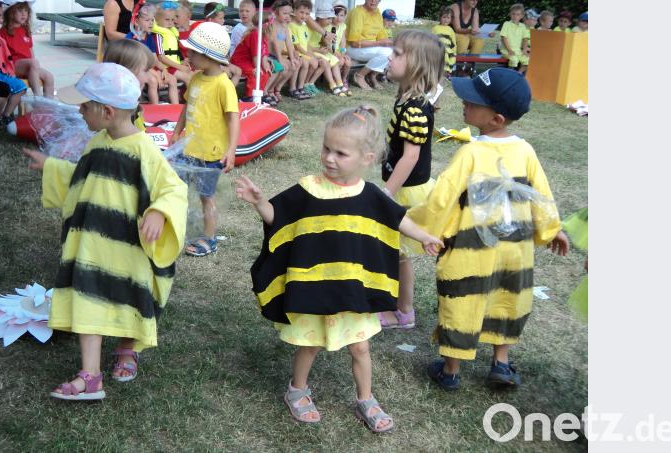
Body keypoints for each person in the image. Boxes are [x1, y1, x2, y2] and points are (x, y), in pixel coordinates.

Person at [236, 105, 443, 433]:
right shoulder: (308, 189)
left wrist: (426, 236)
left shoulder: (371, 195)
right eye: (327, 149)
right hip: (317, 287)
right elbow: (278, 217)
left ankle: (366, 399)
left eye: (341, 153)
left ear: (367, 157)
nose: (330, 158)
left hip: (353, 290)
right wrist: (260, 202)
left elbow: (399, 218)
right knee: (311, 343)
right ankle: (297, 390)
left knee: (360, 347)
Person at [21, 62, 188, 400]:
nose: (79, 111)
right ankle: (90, 376)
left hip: (126, 250)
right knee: (88, 303)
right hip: (90, 248)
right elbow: (87, 180)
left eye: (85, 105)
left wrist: (158, 211)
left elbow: (173, 189)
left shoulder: (144, 151)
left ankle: (127, 347)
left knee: (127, 299)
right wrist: (52, 167)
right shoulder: (97, 141)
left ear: (107, 111)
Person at [406, 68, 570, 390]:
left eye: (473, 100)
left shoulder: (470, 152)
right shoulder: (525, 151)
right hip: (515, 249)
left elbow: (443, 197)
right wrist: (551, 229)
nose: (465, 102)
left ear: (495, 119)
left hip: (471, 250)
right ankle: (501, 363)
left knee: (464, 299)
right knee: (507, 297)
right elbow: (543, 194)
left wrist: (415, 225)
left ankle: (451, 369)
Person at [376, 30, 446, 330]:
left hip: (406, 191)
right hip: (401, 186)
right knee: (393, 252)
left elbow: (410, 157)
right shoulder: (406, 98)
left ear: (417, 64)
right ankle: (396, 304)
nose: (390, 57)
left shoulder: (416, 108)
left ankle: (403, 312)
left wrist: (386, 193)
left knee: (398, 254)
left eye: (398, 53)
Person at [173, 22, 240, 257]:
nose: (187, 54)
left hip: (210, 153)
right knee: (177, 190)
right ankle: (177, 229)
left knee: (205, 197)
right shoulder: (196, 78)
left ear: (209, 56)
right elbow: (186, 107)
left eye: (192, 52)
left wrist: (231, 151)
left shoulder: (224, 86)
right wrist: (176, 131)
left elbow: (233, 119)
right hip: (188, 147)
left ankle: (209, 238)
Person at [0, 0, 27, 130]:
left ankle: (1, 116)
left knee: (20, 86)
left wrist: (9, 69)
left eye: (0, 15)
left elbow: (5, 55)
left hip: (0, 71)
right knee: (5, 89)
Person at [126, 3, 180, 104]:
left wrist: (163, 69)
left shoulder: (149, 38)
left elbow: (154, 59)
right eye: (147, 20)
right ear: (136, 21)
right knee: (153, 81)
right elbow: (136, 63)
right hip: (135, 70)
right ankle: (155, 108)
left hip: (147, 69)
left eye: (152, 20)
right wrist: (154, 73)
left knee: (172, 79)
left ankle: (175, 107)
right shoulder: (131, 39)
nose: (151, 23)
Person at [0, 1, 55, 98]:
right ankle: (37, 97)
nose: (24, 14)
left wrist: (35, 68)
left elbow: (30, 49)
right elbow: (0, 54)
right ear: (10, 12)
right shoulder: (3, 32)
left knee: (49, 77)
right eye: (20, 11)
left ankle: (48, 104)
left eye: (26, 11)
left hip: (29, 66)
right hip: (13, 66)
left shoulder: (25, 30)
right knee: (33, 63)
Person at [230, 0, 280, 105]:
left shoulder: (264, 35)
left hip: (250, 60)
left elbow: (264, 53)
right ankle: (249, 98)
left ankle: (259, 94)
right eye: (271, 25)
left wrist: (265, 65)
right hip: (240, 61)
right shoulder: (255, 34)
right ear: (266, 25)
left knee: (265, 73)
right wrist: (257, 68)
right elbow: (255, 54)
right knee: (255, 74)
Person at [346, 0, 392, 91]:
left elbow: (381, 36)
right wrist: (379, 43)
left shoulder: (377, 12)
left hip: (370, 47)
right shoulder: (358, 12)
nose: (373, 1)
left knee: (396, 49)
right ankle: (359, 75)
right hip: (353, 48)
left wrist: (392, 42)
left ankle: (372, 76)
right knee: (387, 52)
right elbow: (354, 43)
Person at [307, 7, 347, 96]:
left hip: (318, 50)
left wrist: (323, 49)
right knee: (326, 62)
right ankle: (332, 84)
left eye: (331, 18)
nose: (331, 21)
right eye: (329, 18)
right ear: (320, 18)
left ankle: (340, 83)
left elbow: (324, 42)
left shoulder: (322, 28)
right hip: (310, 51)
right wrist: (319, 49)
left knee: (335, 61)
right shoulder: (312, 28)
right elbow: (305, 44)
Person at [290, 0, 324, 98]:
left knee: (316, 61)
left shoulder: (304, 27)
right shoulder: (292, 25)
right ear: (294, 11)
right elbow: (297, 46)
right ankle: (295, 87)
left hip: (304, 53)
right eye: (301, 12)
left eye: (307, 14)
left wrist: (312, 54)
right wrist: (309, 55)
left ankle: (302, 86)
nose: (304, 16)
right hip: (296, 53)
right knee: (306, 62)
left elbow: (307, 44)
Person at [153, 1, 193, 84]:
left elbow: (175, 53)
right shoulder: (158, 35)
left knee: (193, 75)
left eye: (172, 20)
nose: (171, 23)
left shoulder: (172, 33)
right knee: (188, 77)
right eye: (167, 20)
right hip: (165, 67)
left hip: (173, 66)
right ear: (156, 20)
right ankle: (192, 97)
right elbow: (161, 57)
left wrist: (182, 61)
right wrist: (179, 66)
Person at [267, 0, 298, 101]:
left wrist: (292, 58)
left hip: (277, 55)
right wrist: (280, 59)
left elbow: (289, 43)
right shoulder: (273, 25)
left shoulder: (285, 26)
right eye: (284, 13)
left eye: (289, 13)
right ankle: (269, 90)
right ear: (276, 12)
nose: (287, 16)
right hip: (269, 56)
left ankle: (277, 88)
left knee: (294, 65)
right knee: (282, 67)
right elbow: (274, 43)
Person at [500, 3, 531, 73]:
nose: (515, 16)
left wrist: (524, 49)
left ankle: (518, 74)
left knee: (528, 60)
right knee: (514, 60)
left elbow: (525, 39)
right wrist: (509, 50)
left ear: (521, 16)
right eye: (513, 14)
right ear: (510, 14)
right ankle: (510, 73)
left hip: (518, 51)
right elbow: (503, 38)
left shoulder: (523, 26)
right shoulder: (506, 24)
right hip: (507, 51)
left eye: (518, 14)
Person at [331, 1, 352, 92]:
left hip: (338, 51)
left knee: (347, 62)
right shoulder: (329, 26)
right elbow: (328, 44)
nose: (339, 18)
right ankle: (336, 80)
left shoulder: (343, 26)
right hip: (330, 50)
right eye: (336, 15)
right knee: (339, 62)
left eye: (341, 15)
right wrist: (337, 54)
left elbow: (343, 41)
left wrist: (343, 52)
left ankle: (343, 79)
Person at [432, 6, 457, 77]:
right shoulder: (435, 28)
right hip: (437, 52)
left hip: (448, 53)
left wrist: (454, 54)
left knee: (446, 64)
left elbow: (453, 44)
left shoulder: (451, 30)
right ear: (440, 17)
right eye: (444, 17)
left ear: (451, 19)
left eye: (448, 18)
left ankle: (445, 75)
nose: (446, 20)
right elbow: (431, 40)